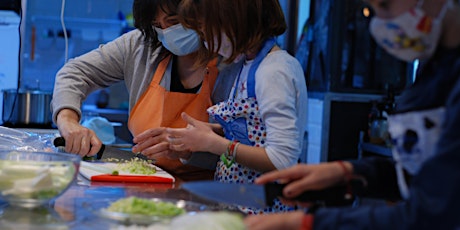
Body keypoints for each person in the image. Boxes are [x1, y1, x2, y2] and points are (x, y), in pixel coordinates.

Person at [244, 0, 460, 229]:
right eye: (373, 10)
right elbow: (419, 175)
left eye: (385, 6)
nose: (379, 24)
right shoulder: (437, 66)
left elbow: (433, 211)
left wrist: (307, 223)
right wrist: (344, 174)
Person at [51, 0, 239, 181]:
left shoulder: (232, 62)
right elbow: (75, 72)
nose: (167, 32)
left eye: (174, 22)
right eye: (157, 25)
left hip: (210, 194)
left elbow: (248, 149)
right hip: (145, 181)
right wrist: (68, 120)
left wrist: (188, 151)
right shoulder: (142, 45)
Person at [165, 0, 308, 214]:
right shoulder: (245, 65)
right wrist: (206, 133)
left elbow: (281, 160)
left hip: (262, 213)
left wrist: (215, 144)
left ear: (233, 20)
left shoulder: (274, 71)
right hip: (238, 206)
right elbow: (255, 131)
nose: (207, 44)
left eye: (206, 33)